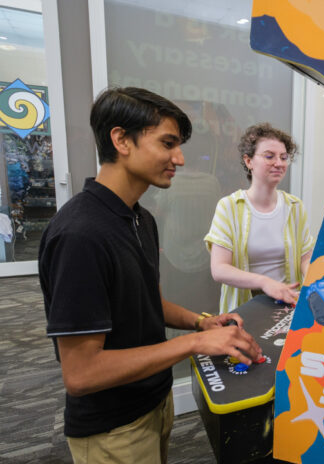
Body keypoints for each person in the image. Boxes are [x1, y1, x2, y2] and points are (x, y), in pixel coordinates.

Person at [39, 87, 261, 464]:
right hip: (112, 428)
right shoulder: (80, 235)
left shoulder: (140, 218)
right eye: (168, 143)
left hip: (154, 404)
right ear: (121, 139)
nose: (179, 158)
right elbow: (81, 373)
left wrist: (201, 322)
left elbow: (148, 304)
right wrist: (192, 345)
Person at [205, 123, 314, 313]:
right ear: (249, 162)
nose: (279, 163)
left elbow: (306, 258)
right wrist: (265, 283)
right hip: (244, 311)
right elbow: (219, 269)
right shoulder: (229, 206)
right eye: (269, 156)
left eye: (283, 157)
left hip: (288, 306)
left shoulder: (295, 206)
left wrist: (317, 282)